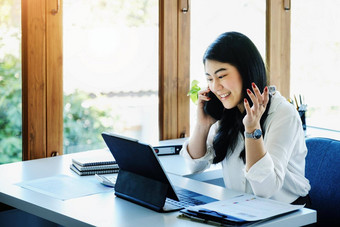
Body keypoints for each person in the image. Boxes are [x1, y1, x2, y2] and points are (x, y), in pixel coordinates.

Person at [180, 31, 311, 207]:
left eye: (221, 76)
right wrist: (202, 126)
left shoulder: (283, 114)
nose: (215, 87)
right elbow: (195, 166)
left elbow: (266, 189)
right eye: (209, 78)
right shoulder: (228, 109)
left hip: (287, 214)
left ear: (246, 71)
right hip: (242, 211)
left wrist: (252, 129)